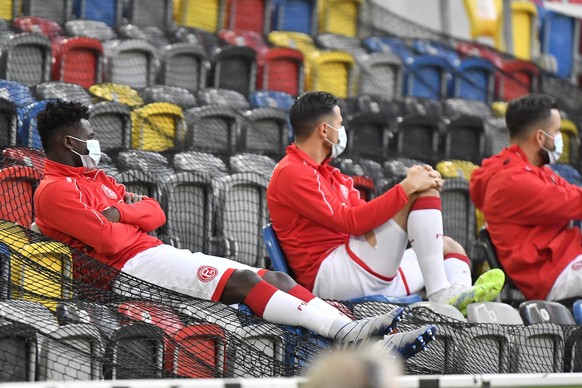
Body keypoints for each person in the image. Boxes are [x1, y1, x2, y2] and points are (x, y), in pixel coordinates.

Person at [33, 99, 429, 351]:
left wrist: (124, 214)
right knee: (243, 283)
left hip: (151, 253)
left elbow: (156, 213)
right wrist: (125, 220)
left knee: (275, 278)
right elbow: (107, 240)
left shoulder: (96, 180)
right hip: (127, 271)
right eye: (90, 136)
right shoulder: (55, 192)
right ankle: (346, 334)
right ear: (70, 143)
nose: (96, 142)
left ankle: (362, 336)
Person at [267, 91, 504, 312]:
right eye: (339, 124)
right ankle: (441, 293)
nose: (342, 130)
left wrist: (412, 186)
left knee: (449, 247)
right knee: (422, 193)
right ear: (324, 130)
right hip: (330, 277)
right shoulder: (292, 172)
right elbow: (351, 222)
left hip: (358, 267)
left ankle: (461, 308)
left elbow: (365, 218)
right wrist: (408, 187)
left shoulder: (331, 174)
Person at [471, 94, 582, 301]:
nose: (559, 139)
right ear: (540, 138)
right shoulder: (510, 180)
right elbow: (574, 202)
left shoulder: (536, 169)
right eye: (556, 132)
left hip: (565, 257)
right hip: (549, 274)